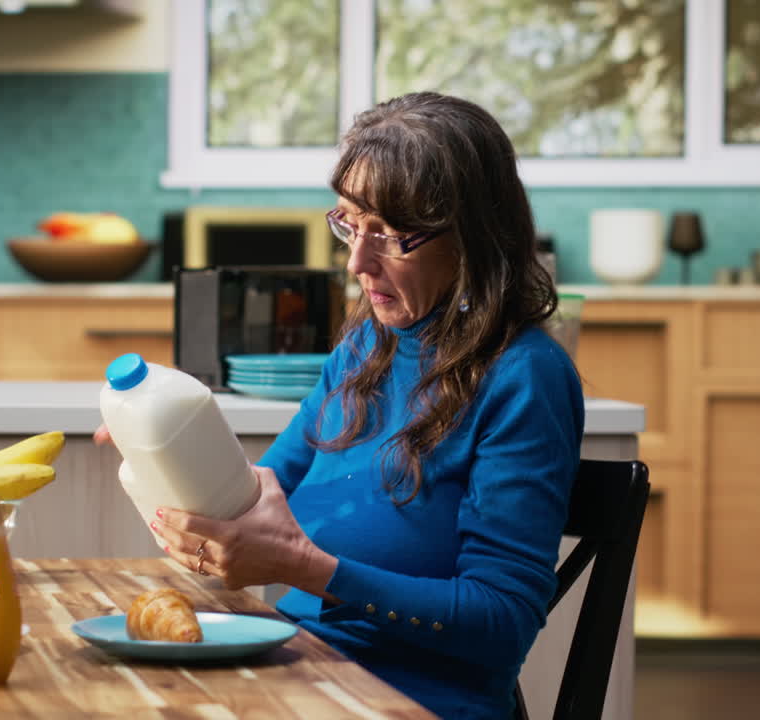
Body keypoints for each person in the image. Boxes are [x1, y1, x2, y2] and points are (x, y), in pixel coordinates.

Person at [99, 91, 583, 719]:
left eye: (391, 235)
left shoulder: (525, 378)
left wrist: (311, 569)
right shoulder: (363, 351)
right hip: (296, 679)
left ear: (473, 236)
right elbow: (253, 501)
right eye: (350, 223)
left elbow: (503, 622)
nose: (357, 261)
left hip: (411, 702)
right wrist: (168, 452)